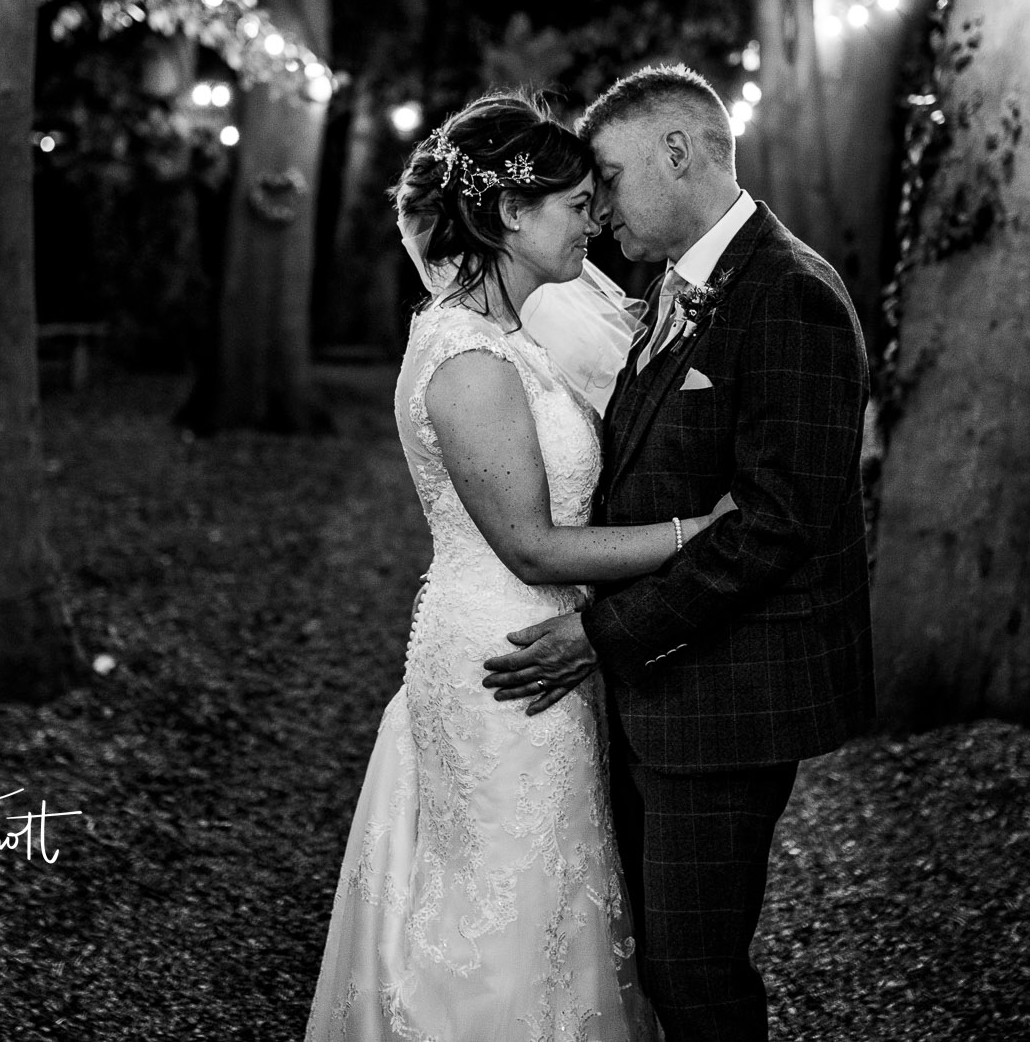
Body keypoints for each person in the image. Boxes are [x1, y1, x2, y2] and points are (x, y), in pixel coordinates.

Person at [303, 91, 732, 1042]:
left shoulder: (516, 341)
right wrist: (695, 530)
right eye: (576, 204)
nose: (596, 220)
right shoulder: (467, 361)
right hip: (506, 660)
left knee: (558, 898)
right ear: (508, 214)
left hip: (549, 645)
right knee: (505, 905)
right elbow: (530, 543)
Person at [481, 63, 874, 1041]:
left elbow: (775, 526)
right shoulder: (672, 285)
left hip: (728, 697)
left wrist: (601, 635)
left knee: (693, 974)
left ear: (676, 151)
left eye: (606, 177)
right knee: (656, 960)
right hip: (666, 690)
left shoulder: (788, 294)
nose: (598, 208)